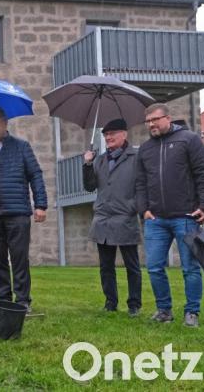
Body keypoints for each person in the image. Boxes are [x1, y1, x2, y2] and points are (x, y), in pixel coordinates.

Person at [135, 103, 204, 327]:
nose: (151, 124)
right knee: (154, 266)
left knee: (189, 267)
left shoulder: (189, 140)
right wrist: (144, 210)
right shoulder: (145, 149)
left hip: (186, 216)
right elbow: (140, 183)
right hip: (155, 219)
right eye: (148, 121)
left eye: (155, 120)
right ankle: (164, 310)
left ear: (168, 118)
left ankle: (192, 313)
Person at [0, 107, 47, 314]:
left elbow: (36, 175)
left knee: (19, 258)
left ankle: (23, 300)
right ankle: (4, 299)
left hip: (18, 213)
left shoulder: (22, 147)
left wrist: (41, 205)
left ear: (5, 124)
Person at [82, 118, 142, 316]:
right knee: (106, 266)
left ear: (124, 134)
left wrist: (133, 207)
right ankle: (110, 302)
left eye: (112, 134)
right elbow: (90, 186)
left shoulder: (135, 156)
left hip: (125, 218)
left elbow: (142, 185)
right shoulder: (99, 160)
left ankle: (134, 304)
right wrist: (87, 164)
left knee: (132, 265)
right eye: (106, 135)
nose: (108, 137)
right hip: (103, 219)